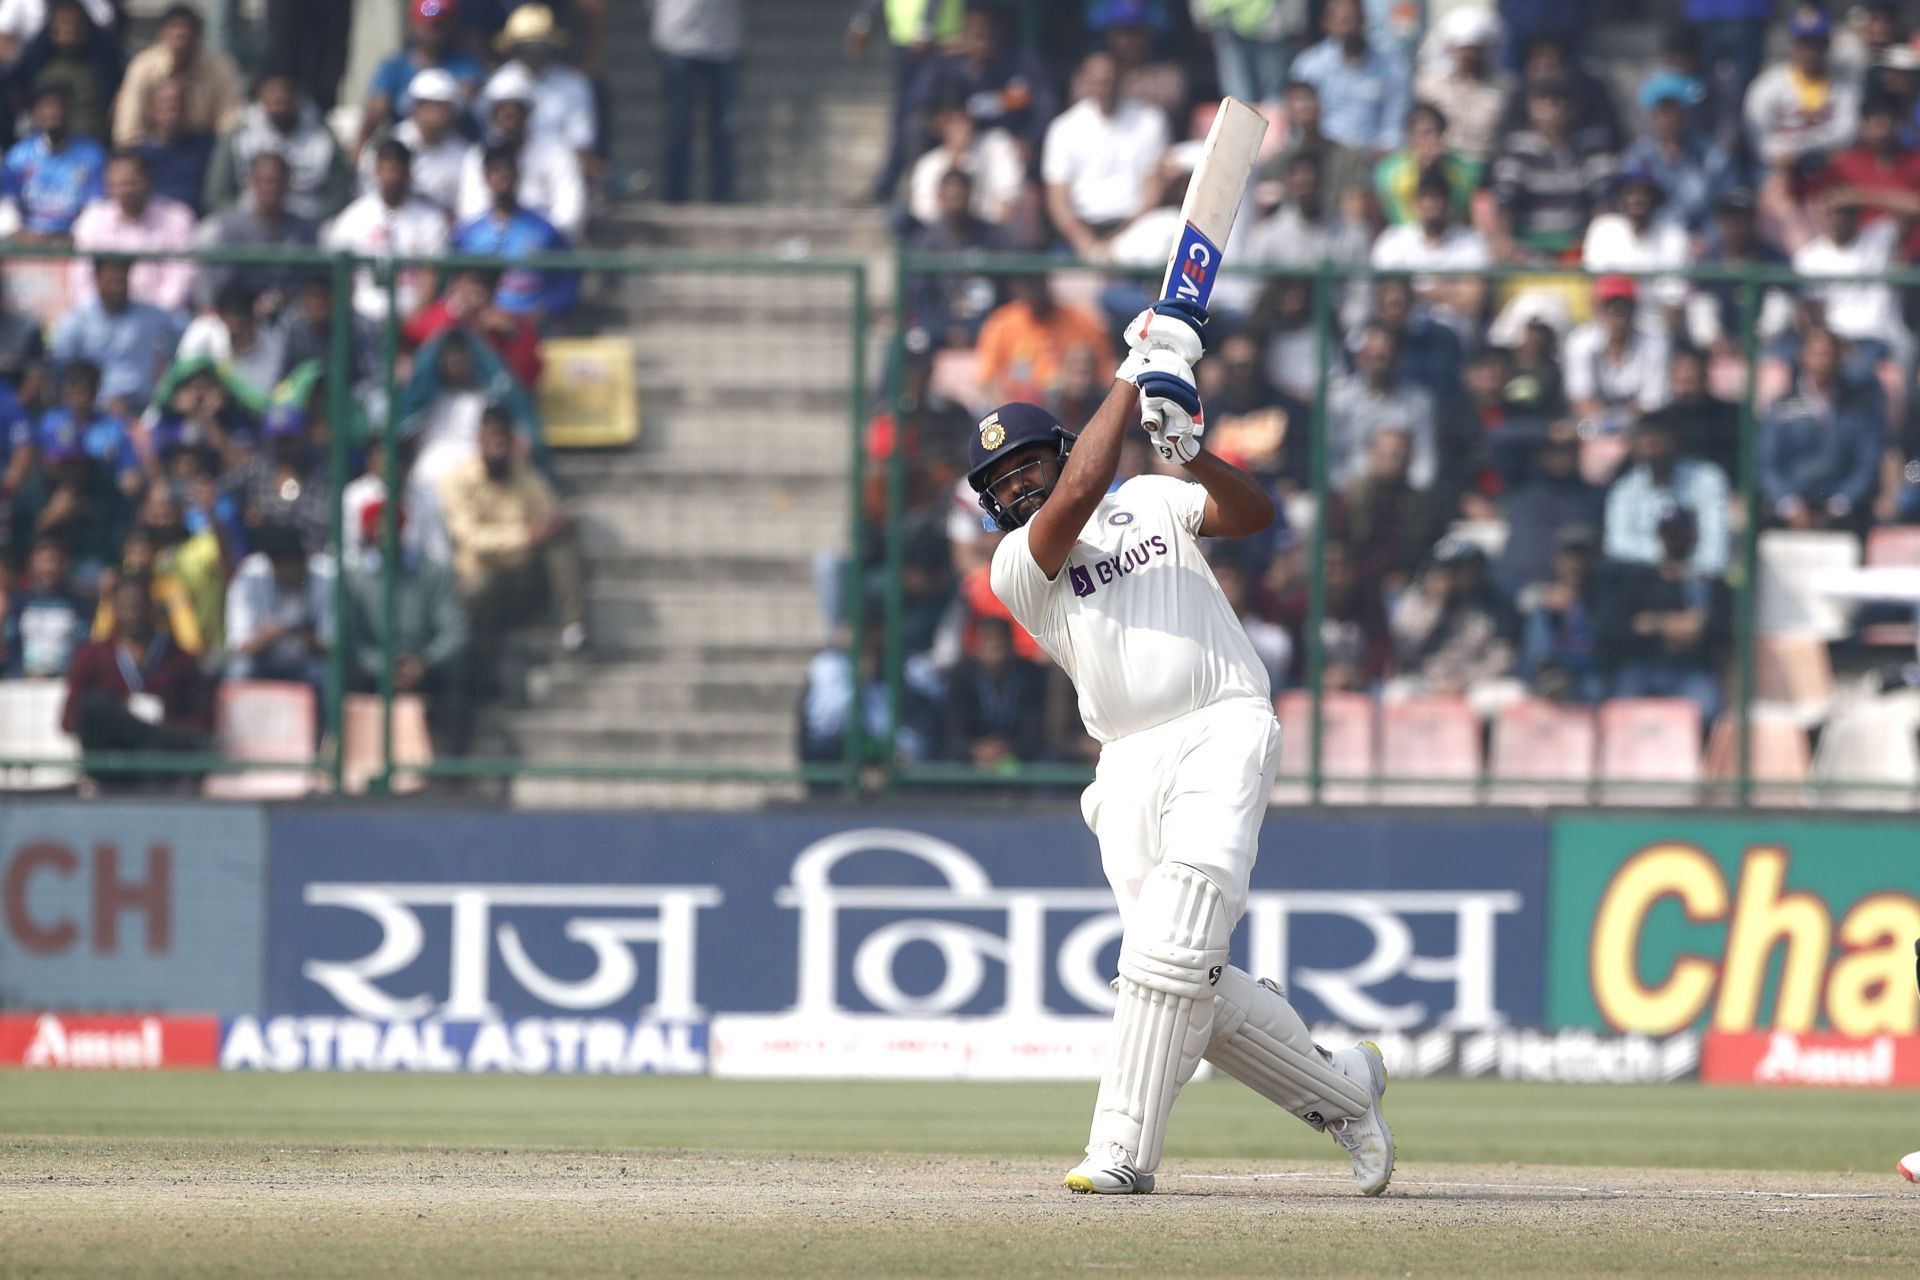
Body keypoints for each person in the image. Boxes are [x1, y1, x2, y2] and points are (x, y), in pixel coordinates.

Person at [965, 298, 1391, 1197]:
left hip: (1222, 723)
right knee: (1184, 978)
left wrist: (1191, 452)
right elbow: (1079, 488)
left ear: (1059, 450)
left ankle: (1120, 1152)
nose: (1016, 490)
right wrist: (1137, 362)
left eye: (1024, 467)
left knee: (1166, 954)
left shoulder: (1149, 498)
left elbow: (1254, 514)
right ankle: (1346, 1093)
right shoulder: (1019, 566)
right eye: (998, 485)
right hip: (1125, 764)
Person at [440, 404, 586, 665]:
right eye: (492, 439)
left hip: (521, 575)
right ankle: (477, 661)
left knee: (561, 539)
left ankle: (574, 626)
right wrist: (527, 536)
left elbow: (548, 510)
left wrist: (560, 519)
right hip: (480, 575)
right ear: (480, 440)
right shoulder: (457, 480)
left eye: (503, 439)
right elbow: (471, 539)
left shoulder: (524, 474)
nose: (498, 446)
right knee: (477, 587)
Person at [342, 499, 470, 752]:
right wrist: (381, 666)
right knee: (343, 673)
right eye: (377, 527)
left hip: (423, 664)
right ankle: (351, 754)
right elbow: (350, 639)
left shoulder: (432, 572)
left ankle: (451, 766)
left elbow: (455, 630)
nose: (384, 533)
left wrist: (423, 661)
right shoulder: (353, 579)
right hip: (373, 668)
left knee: (457, 671)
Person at [61, 573, 211, 786]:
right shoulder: (91, 656)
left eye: (139, 606)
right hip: (112, 768)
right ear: (114, 609)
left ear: (152, 608)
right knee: (95, 706)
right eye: (126, 606)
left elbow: (202, 722)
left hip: (162, 766)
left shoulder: (181, 661)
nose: (133, 614)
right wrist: (122, 718)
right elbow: (69, 721)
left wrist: (162, 722)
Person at [1597, 505, 1727, 724]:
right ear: (1659, 536)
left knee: (1707, 709)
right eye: (1670, 533)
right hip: (1644, 666)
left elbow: (1714, 629)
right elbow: (1625, 625)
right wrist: (1666, 625)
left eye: (1681, 532)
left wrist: (1660, 624)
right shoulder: (1640, 580)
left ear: (1694, 536)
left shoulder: (1707, 583)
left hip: (1690, 670)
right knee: (1619, 707)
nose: (1675, 539)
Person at [1040, 51, 1167, 264]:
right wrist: (1084, 242)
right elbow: (1057, 200)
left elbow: (1153, 193)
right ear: (1084, 80)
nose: (1104, 86)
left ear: (1122, 78)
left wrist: (1115, 243)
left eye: (1109, 79)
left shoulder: (1150, 121)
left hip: (1136, 232)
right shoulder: (1062, 128)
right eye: (1097, 81)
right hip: (1079, 234)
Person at [1758, 326, 1884, 532]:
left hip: (1843, 511)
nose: (1821, 361)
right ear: (1803, 357)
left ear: (1839, 358)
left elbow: (1867, 463)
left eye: (1827, 354)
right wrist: (1789, 505)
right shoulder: (1783, 406)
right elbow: (1768, 464)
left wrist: (1839, 504)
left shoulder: (1857, 407)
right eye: (1815, 354)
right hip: (1789, 509)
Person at [847, 0, 964, 202]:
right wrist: (863, 20)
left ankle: (910, 189)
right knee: (907, 116)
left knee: (929, 116)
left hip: (940, 39)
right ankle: (900, 187)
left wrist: (925, 26)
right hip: (905, 37)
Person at [1489, 76, 1617, 259]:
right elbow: (1503, 205)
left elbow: (1604, 205)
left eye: (1559, 102)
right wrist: (1506, 249)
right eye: (1545, 102)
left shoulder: (1593, 147)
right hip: (1527, 253)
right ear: (1531, 107)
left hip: (1578, 252)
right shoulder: (1516, 149)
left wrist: (1594, 250)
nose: (1553, 110)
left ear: (1574, 107)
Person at [325, 140, 451, 325]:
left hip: (411, 319)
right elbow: (344, 277)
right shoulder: (354, 216)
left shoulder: (430, 219)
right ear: (376, 170)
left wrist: (411, 321)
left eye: (398, 166)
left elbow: (429, 278)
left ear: (408, 172)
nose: (392, 174)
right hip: (363, 318)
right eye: (386, 166)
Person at [202, 71, 351, 222]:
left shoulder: (322, 138)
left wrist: (313, 218)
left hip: (307, 221)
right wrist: (243, 219)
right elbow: (218, 194)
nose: (280, 99)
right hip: (247, 217)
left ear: (298, 98)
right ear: (261, 98)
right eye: (273, 92)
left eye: (286, 93)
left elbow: (339, 194)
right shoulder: (240, 136)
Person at [457, 65, 585, 239]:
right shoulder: (477, 156)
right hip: (489, 250)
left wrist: (535, 239)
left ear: (528, 112)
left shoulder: (557, 153)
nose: (509, 115)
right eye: (502, 109)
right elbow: (470, 212)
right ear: (492, 114)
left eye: (516, 108)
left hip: (544, 249)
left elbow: (569, 213)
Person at [453, 145, 576, 321]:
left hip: (528, 330)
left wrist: (544, 311)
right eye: (495, 170)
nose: (502, 176)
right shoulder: (468, 234)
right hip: (478, 330)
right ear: (485, 177)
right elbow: (453, 284)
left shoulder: (544, 230)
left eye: (507, 169)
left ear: (518, 174)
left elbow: (566, 282)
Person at [48, 256, 184, 416]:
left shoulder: (152, 317)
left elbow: (182, 344)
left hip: (144, 409)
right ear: (97, 278)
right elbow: (62, 371)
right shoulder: (75, 321)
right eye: (111, 280)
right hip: (91, 413)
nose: (116, 288)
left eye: (121, 280)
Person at [355, 0, 486, 164]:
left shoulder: (466, 65)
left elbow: (468, 100)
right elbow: (375, 112)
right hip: (403, 152)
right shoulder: (394, 67)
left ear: (451, 26)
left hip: (451, 151)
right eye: (426, 24)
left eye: (439, 25)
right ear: (412, 25)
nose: (432, 31)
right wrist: (358, 154)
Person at [1387, 539, 1517, 702]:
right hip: (1425, 681)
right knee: (1397, 692)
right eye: (1451, 571)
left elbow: (1502, 657)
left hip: (1471, 685)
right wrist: (1437, 605)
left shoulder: (1491, 608)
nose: (1459, 578)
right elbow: (1404, 650)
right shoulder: (1414, 602)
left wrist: (1465, 681)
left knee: (1506, 693)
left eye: (1466, 570)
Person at [1793, 188, 1912, 365]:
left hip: (1882, 337)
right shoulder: (1809, 256)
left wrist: (1863, 196)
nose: (1837, 218)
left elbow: (1914, 208)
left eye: (1845, 212)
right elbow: (1813, 315)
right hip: (1838, 341)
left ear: (1856, 213)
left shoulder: (1879, 237)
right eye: (1832, 212)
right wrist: (1831, 344)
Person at [68, 149, 196, 313]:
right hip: (104, 315)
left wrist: (151, 318)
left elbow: (181, 280)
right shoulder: (92, 220)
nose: (127, 190)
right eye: (120, 184)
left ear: (148, 180)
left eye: (133, 182)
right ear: (108, 187)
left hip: (162, 318)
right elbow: (82, 281)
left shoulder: (177, 218)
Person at [1603, 411, 1729, 575]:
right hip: (1645, 576)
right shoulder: (1625, 488)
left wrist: (1689, 570)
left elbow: (1715, 546)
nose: (1651, 454)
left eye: (1656, 444)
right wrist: (1661, 558)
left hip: (1698, 577)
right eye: (1644, 446)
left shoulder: (1706, 478)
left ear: (1673, 442)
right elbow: (1616, 544)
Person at [193, 152, 318, 310]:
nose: (272, 188)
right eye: (266, 182)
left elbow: (312, 282)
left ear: (289, 185)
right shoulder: (232, 229)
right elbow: (223, 284)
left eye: (278, 181)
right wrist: (251, 305)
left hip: (292, 313)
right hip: (242, 313)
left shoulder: (305, 229)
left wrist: (285, 299)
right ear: (252, 184)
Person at [1328, 424, 1441, 597]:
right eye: (1383, 454)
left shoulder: (1424, 505)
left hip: (1409, 588)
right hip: (1354, 588)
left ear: (1410, 459)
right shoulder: (1349, 498)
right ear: (1371, 456)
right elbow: (1339, 547)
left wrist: (1408, 576)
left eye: (1397, 456)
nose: (1390, 462)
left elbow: (1428, 552)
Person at [1620, 71, 1736, 236]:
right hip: (1651, 244)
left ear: (1688, 113)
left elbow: (1727, 207)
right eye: (1663, 110)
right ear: (1652, 115)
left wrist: (1707, 239)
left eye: (1676, 109)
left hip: (1703, 250)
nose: (1669, 117)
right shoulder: (1637, 157)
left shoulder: (1713, 156)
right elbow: (1630, 207)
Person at [111, 3, 242, 147]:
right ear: (161, 34)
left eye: (187, 31)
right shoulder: (142, 67)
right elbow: (128, 127)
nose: (181, 36)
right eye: (175, 29)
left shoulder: (220, 68)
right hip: (153, 150)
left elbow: (230, 123)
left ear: (199, 35)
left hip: (204, 149)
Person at [650, 0, 743, 203]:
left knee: (724, 127)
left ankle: (722, 199)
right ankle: (675, 199)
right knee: (679, 125)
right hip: (676, 37)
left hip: (723, 41)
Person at [1288, 0, 1409, 154]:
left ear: (1364, 20)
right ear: (1327, 23)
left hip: (1372, 157)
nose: (1348, 29)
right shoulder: (1309, 67)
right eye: (1342, 22)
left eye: (1352, 20)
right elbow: (1297, 124)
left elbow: (1394, 128)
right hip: (1323, 154)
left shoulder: (1392, 68)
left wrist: (1381, 150)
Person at [1326, 323, 1438, 490]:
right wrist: (1369, 472)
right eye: (1374, 356)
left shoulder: (1419, 401)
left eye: (1385, 356)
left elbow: (1425, 461)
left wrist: (1404, 479)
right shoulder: (1340, 401)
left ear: (1398, 357)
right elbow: (1332, 460)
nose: (1380, 362)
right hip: (1353, 488)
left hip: (1404, 490)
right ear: (1360, 358)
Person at [907, 170, 1010, 349]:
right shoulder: (925, 241)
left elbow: (1004, 292)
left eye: (960, 195)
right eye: (950, 195)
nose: (955, 201)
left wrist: (975, 329)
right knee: (907, 344)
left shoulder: (993, 237)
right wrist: (946, 330)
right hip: (937, 326)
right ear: (939, 196)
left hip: (987, 324)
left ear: (970, 196)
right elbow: (920, 297)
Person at [1496, 422, 1604, 592]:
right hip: (1516, 584)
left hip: (1572, 591)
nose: (1560, 459)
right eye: (1553, 452)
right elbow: (1498, 438)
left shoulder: (1591, 494)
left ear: (1577, 453)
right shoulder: (1521, 483)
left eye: (1566, 452)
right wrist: (1549, 431)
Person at [223, 520, 331, 690]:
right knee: (239, 670)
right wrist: (265, 636)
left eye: (295, 564)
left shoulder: (325, 575)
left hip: (305, 662)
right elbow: (238, 645)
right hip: (264, 661)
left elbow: (332, 648)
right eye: (284, 565)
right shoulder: (251, 574)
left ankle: (327, 718)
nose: (291, 572)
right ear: (273, 564)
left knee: (324, 673)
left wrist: (309, 639)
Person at [1581, 170, 1690, 334]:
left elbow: (1672, 304)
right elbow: (1594, 294)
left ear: (1655, 199)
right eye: (1630, 193)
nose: (1637, 199)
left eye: (1645, 193)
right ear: (1620, 198)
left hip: (1654, 325)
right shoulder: (1602, 229)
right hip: (1609, 324)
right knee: (1580, 345)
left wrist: (1665, 342)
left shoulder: (1672, 236)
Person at [1563, 276, 1671, 434]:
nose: (1617, 316)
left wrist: (1619, 424)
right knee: (1574, 431)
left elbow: (1651, 403)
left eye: (1623, 309)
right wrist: (1608, 425)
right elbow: (1581, 399)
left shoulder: (1656, 343)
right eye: (1610, 309)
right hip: (1591, 426)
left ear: (1634, 310)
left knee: (1652, 432)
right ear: (1599, 311)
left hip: (1640, 427)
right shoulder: (1579, 342)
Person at [404, 267, 543, 390]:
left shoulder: (503, 322)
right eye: (469, 288)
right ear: (456, 285)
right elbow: (413, 341)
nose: (475, 297)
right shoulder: (437, 314)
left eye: (482, 291)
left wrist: (512, 333)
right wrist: (456, 319)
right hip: (437, 395)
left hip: (486, 399)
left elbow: (529, 374)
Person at [906, 88, 1025, 231]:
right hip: (945, 242)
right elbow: (925, 214)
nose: (960, 127)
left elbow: (1009, 201)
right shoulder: (928, 165)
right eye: (951, 121)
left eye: (964, 118)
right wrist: (955, 160)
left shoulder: (997, 145)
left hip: (990, 236)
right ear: (938, 125)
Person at [360, 68, 471, 216]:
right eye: (428, 104)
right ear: (414, 107)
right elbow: (368, 190)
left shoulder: (463, 154)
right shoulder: (388, 144)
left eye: (441, 106)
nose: (435, 112)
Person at [490, 4, 596, 159]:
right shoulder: (498, 84)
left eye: (539, 45)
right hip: (509, 168)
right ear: (514, 47)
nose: (534, 52)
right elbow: (491, 137)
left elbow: (581, 141)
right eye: (527, 46)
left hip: (560, 169)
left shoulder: (574, 85)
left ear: (551, 46)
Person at [224, 403, 332, 553]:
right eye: (278, 441)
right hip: (267, 561)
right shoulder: (256, 470)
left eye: (289, 440)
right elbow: (223, 490)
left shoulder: (321, 475)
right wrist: (243, 512)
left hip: (314, 559)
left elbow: (323, 522)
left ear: (303, 438)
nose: (284, 447)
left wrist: (270, 521)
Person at [13, 0, 123, 146]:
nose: (69, 29)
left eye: (74, 23)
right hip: (43, 150)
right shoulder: (34, 64)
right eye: (62, 23)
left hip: (95, 144)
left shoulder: (105, 64)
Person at [2, 83, 104, 239]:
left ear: (70, 111)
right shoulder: (17, 156)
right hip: (25, 244)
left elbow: (96, 208)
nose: (53, 113)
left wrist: (70, 239)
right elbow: (6, 206)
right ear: (34, 113)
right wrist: (25, 236)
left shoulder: (93, 155)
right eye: (46, 107)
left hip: (74, 245)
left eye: (59, 106)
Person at [1516, 523, 1604, 702]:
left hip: (1590, 667)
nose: (1575, 564)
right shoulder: (1544, 593)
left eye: (1582, 558)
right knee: (1539, 613)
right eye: (1569, 557)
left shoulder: (1605, 596)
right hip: (1557, 666)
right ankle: (1545, 670)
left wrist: (1579, 602)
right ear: (1556, 560)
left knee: (1594, 690)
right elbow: (1519, 602)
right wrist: (1547, 601)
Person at [1257, 80, 1371, 211]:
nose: (1303, 108)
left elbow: (1357, 199)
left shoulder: (1347, 157)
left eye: (1307, 102)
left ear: (1319, 106)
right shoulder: (1279, 162)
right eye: (1296, 105)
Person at [1414, 5, 1507, 162]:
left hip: (1486, 164)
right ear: (1451, 48)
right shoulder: (1429, 87)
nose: (1468, 56)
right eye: (1463, 49)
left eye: (1474, 49)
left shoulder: (1503, 89)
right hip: (1443, 166)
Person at [1373, 102, 1481, 227]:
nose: (1432, 140)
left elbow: (1459, 210)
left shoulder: (1463, 173)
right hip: (1405, 237)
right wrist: (1422, 168)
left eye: (1438, 133)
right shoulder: (1389, 172)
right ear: (1410, 138)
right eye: (1425, 134)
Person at [128, 76, 215, 215]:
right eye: (165, 102)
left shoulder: (208, 147)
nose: (172, 108)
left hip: (200, 225)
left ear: (188, 107)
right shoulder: (137, 155)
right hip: (153, 227)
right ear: (151, 108)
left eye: (179, 102)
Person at [3, 537, 88, 677]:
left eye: (56, 560)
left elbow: (82, 646)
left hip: (63, 680)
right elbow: (11, 643)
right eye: (44, 561)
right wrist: (19, 673)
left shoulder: (78, 606)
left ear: (66, 563)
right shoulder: (19, 603)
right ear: (32, 563)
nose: (50, 568)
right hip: (25, 681)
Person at [1194, 0, 1303, 107]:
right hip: (1227, 21)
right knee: (1238, 96)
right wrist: (1202, 14)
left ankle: (1269, 122)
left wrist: (1294, 19)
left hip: (1270, 22)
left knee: (1272, 94)